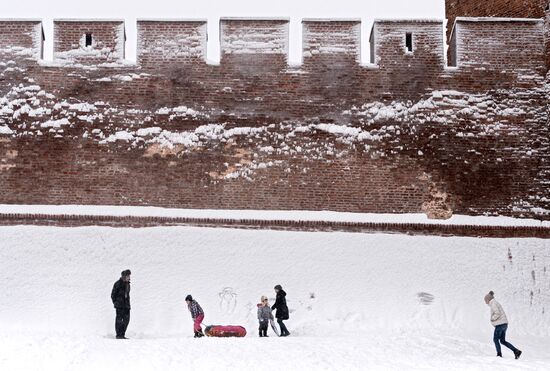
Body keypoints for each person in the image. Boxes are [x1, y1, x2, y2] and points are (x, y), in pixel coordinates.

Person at [484, 291, 522, 359]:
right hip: (504, 324)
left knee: (495, 339)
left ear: (488, 299)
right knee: (502, 341)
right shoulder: (494, 303)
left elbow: (497, 313)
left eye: (485, 300)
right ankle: (516, 351)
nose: (485, 302)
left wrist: (492, 319)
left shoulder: (493, 303)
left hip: (500, 325)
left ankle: (499, 354)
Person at [111, 269, 131, 339]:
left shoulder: (128, 284)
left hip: (126, 306)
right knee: (119, 320)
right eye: (128, 276)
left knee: (127, 320)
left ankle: (122, 334)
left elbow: (127, 295)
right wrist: (116, 303)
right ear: (124, 276)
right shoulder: (117, 284)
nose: (129, 277)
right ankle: (119, 335)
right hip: (119, 306)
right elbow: (113, 295)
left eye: (129, 276)